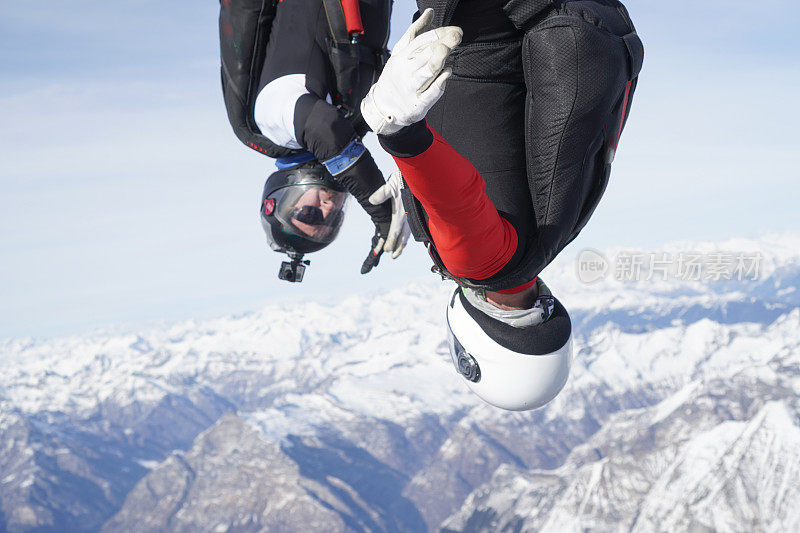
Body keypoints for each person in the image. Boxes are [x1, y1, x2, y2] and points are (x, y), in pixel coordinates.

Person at [361, 2, 643, 410]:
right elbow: (458, 200)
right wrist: (398, 135)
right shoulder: (480, 265)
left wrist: (414, 183)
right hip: (483, 27)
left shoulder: (548, 242)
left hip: (571, 21)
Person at [220, 0, 409, 278]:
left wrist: (380, 210)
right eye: (332, 219)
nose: (328, 208)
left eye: (309, 215)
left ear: (283, 199)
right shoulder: (354, 126)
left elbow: (323, 128)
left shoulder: (270, 127)